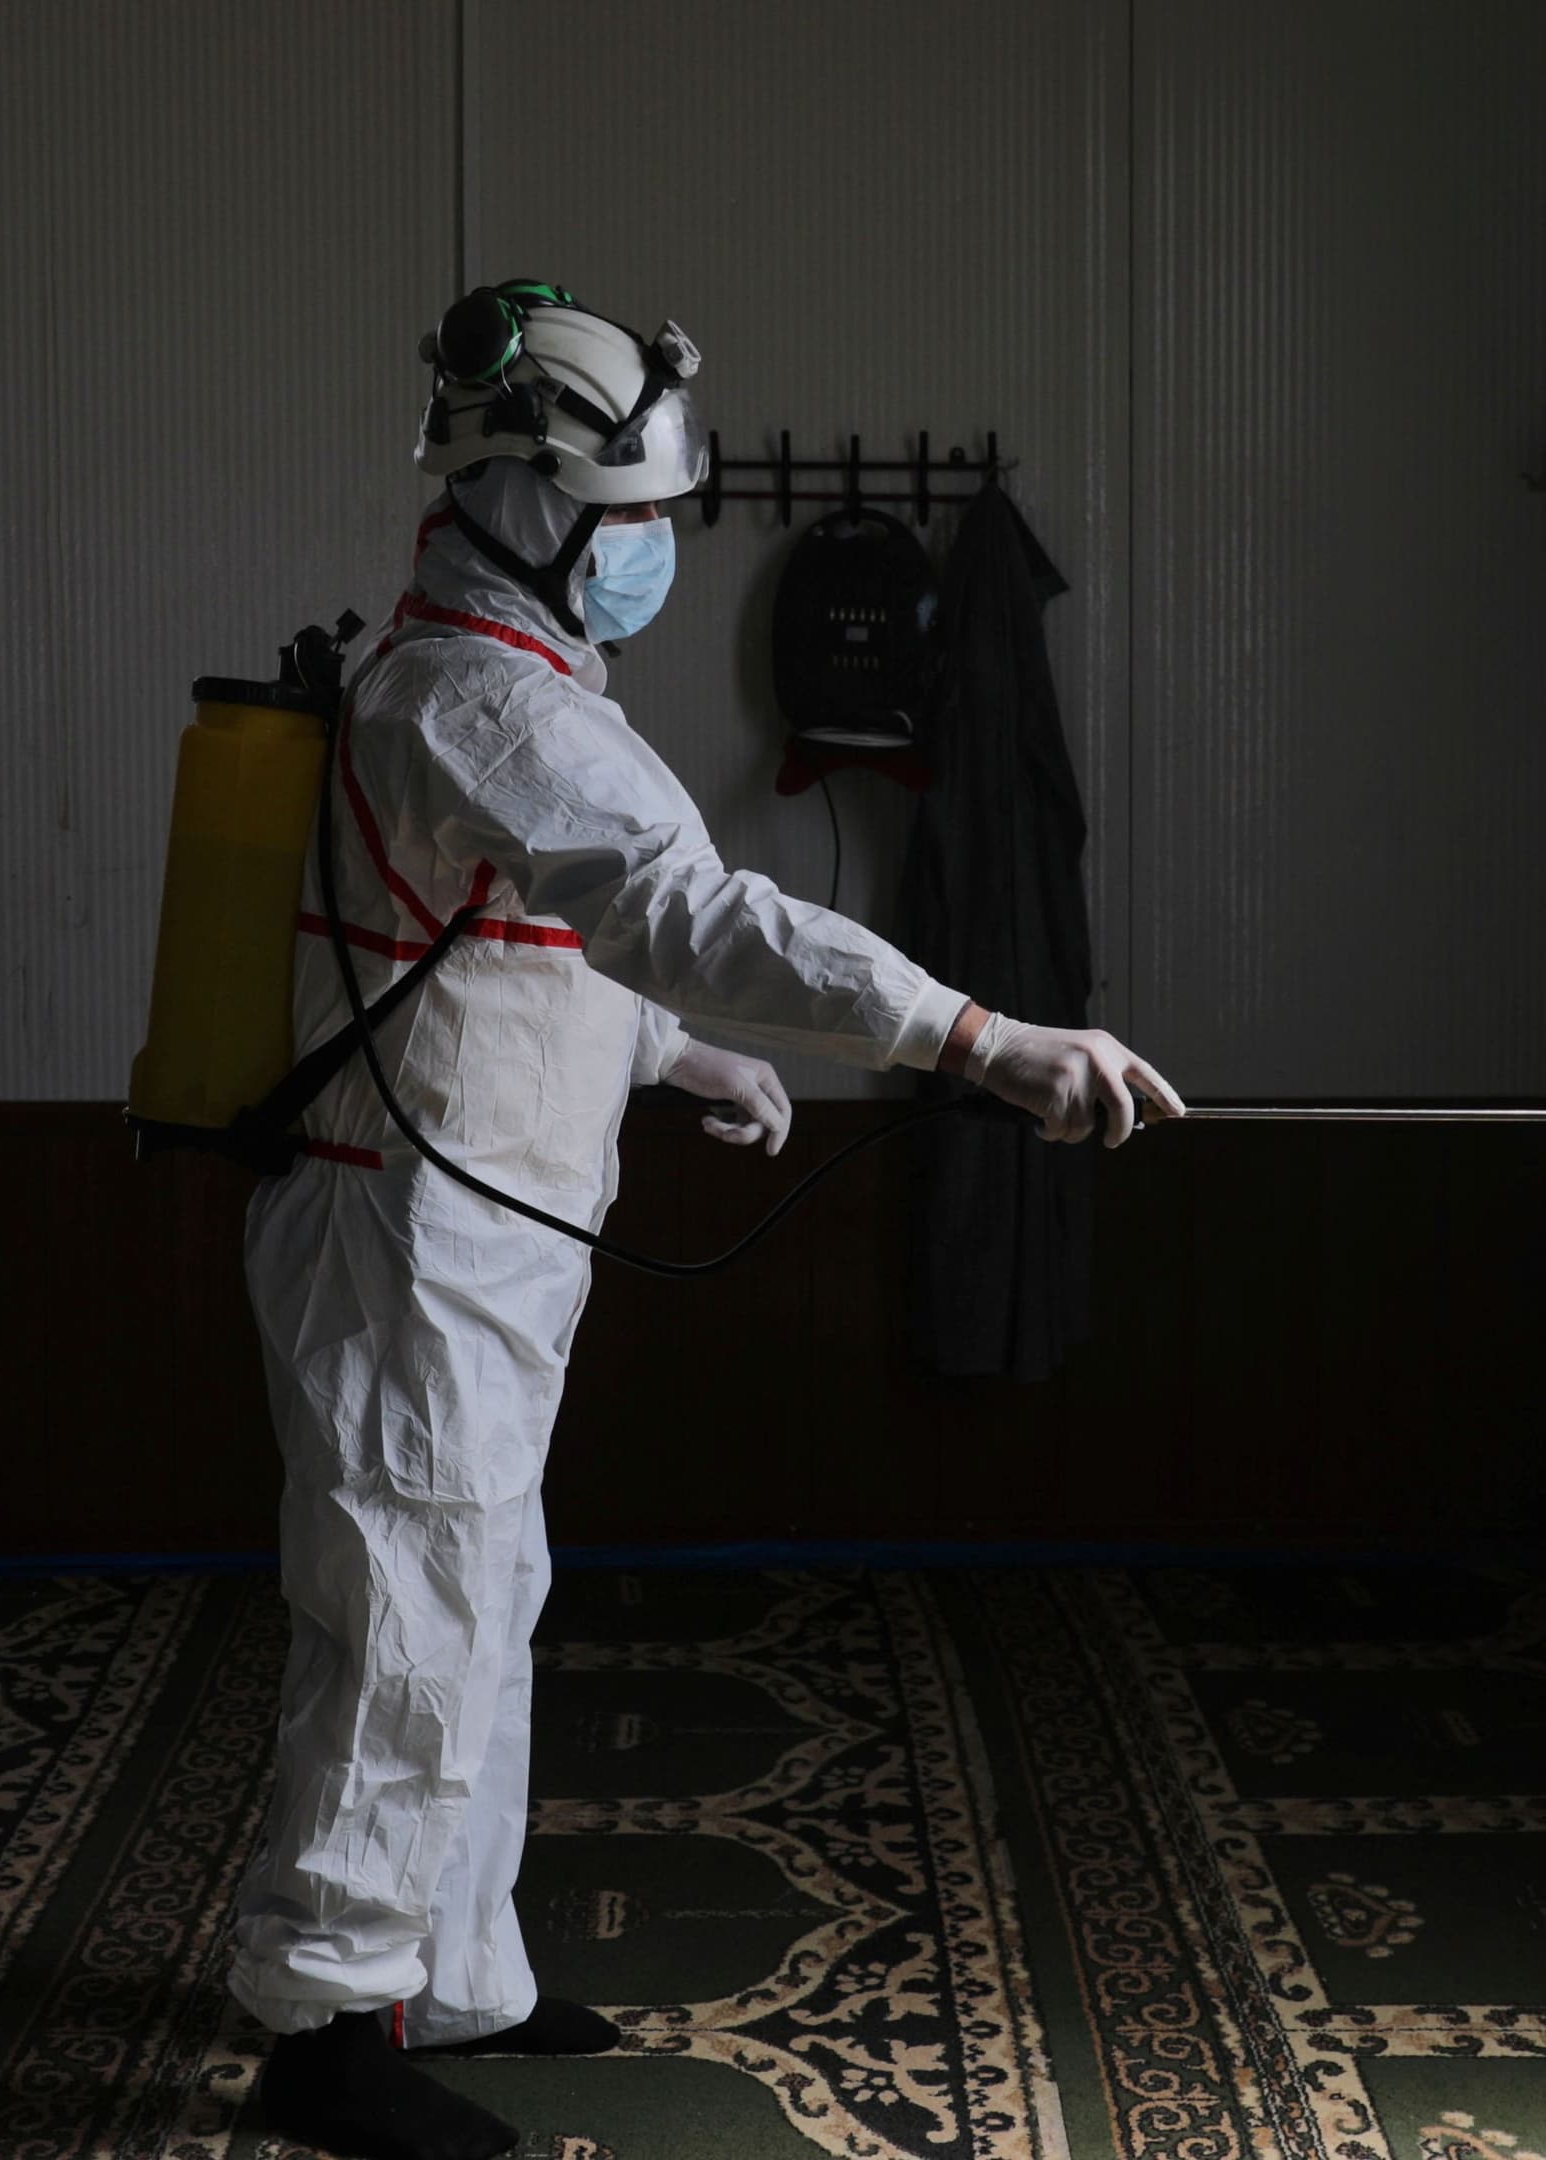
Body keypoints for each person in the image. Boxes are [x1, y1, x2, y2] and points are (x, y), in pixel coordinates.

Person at [234, 280, 1185, 2160]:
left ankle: (461, 1974)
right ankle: (325, 2024)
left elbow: (525, 936)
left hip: (479, 1226)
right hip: (416, 1236)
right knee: (408, 1615)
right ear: (535, 507)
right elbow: (685, 902)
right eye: (639, 522)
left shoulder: (506, 691)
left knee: (480, 1599)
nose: (660, 554)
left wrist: (671, 1059)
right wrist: (974, 1036)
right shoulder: (475, 696)